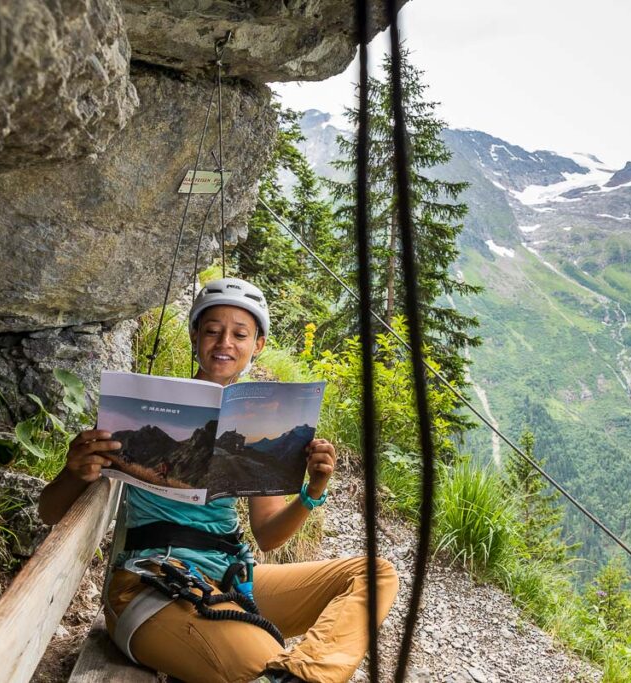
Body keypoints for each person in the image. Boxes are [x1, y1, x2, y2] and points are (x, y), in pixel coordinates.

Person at [39, 277, 399, 683]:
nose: (224, 343)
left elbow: (268, 535)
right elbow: (49, 512)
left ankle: (306, 673)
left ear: (257, 345)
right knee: (270, 670)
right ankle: (297, 675)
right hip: (154, 586)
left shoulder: (250, 422)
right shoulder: (145, 407)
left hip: (232, 579)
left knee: (375, 574)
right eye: (212, 331)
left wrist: (312, 492)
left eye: (239, 334)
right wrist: (74, 471)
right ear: (195, 335)